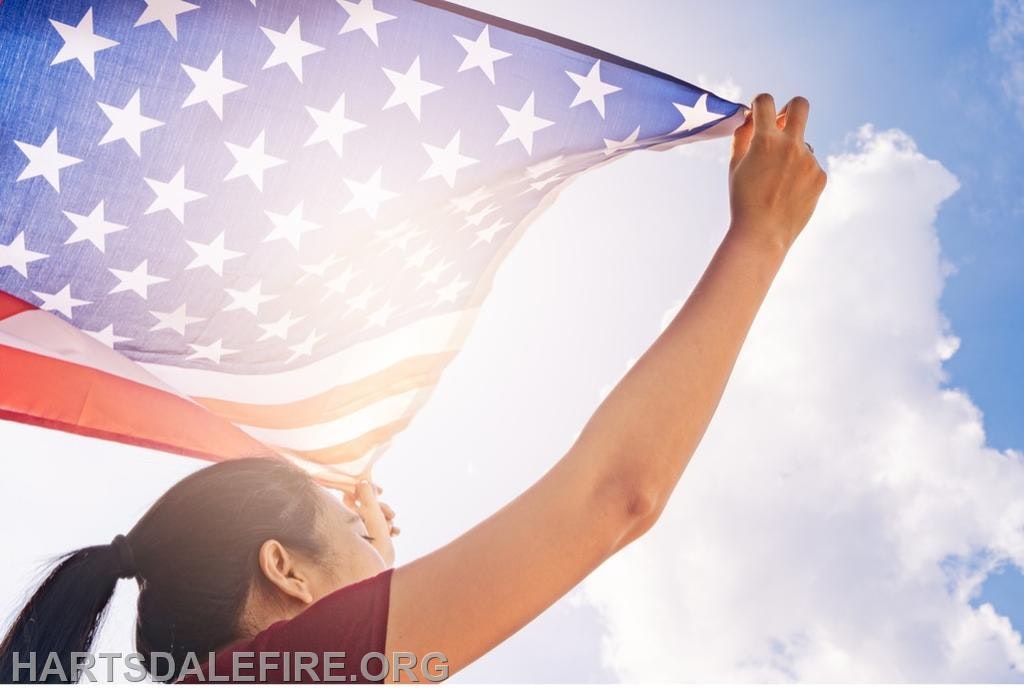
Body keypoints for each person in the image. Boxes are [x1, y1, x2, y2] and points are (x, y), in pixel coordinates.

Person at [0, 93, 826, 684]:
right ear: (283, 569)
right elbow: (616, 497)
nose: (390, 557)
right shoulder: (277, 674)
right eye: (357, 539)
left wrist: (357, 567)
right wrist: (759, 239)